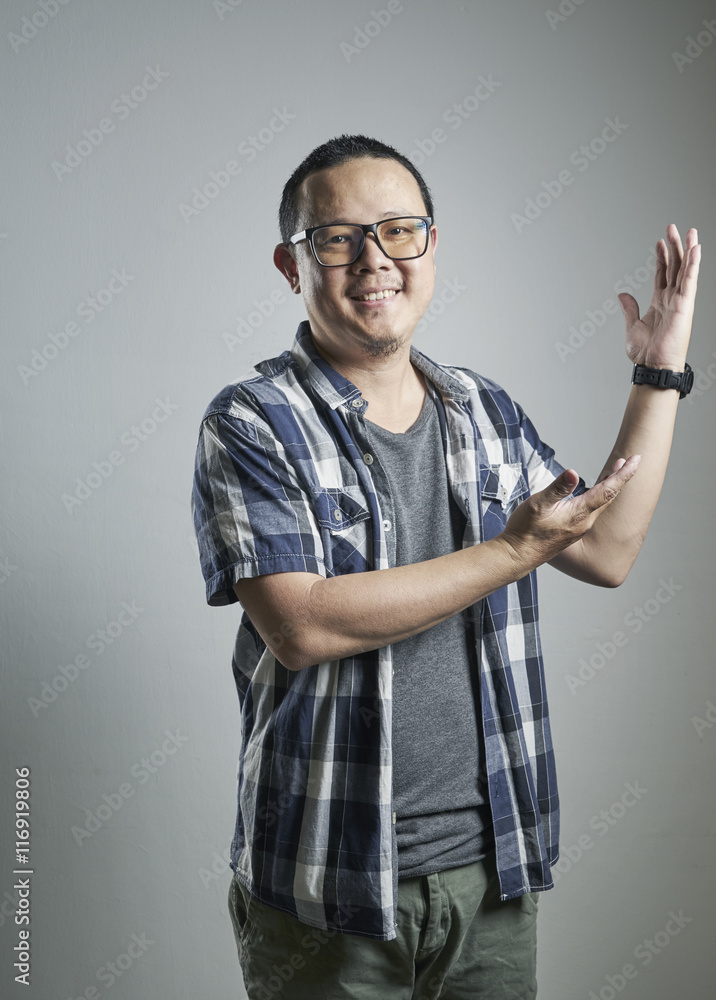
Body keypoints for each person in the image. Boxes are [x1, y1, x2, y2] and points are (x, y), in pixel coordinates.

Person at [191, 134, 700, 999]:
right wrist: (510, 553)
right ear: (291, 264)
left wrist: (657, 374)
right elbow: (303, 624)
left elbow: (607, 550)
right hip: (329, 881)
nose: (374, 260)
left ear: (430, 246)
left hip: (491, 871)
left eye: (399, 231)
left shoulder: (482, 409)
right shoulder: (251, 422)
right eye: (338, 238)